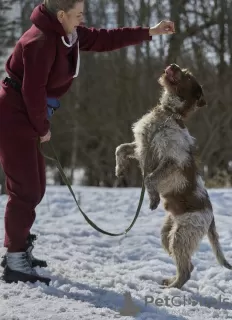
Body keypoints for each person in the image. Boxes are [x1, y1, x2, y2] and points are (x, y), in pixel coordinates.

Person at [0, 0, 175, 285]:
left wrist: (150, 31)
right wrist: (41, 126)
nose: (83, 19)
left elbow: (106, 38)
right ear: (61, 15)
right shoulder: (40, 41)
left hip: (26, 114)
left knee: (36, 186)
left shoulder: (66, 33)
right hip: (13, 115)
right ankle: (15, 260)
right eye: (78, 14)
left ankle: (19, 248)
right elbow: (33, 91)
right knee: (25, 189)